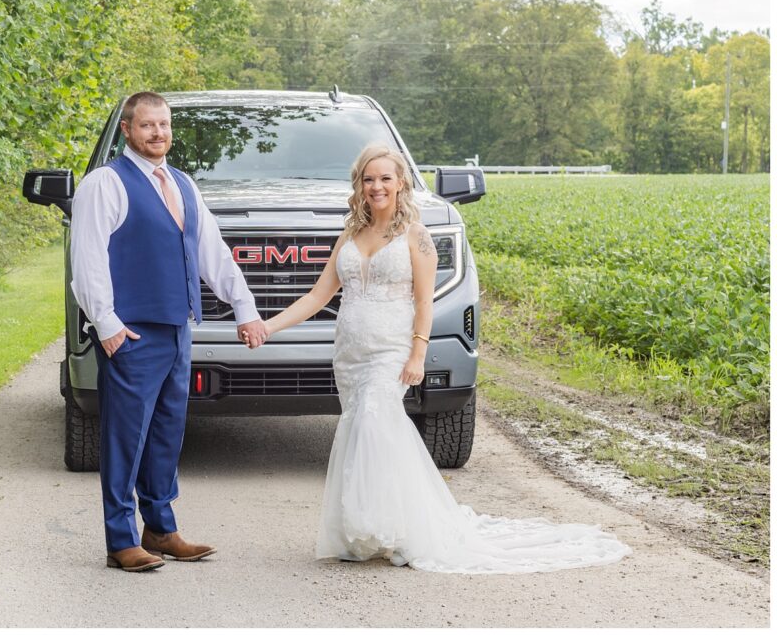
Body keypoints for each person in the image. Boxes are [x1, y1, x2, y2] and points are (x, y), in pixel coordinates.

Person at [255, 143, 632, 573]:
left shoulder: (416, 234)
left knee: (377, 424)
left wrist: (418, 352)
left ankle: (398, 531)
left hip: (391, 348)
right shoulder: (350, 233)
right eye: (368, 178)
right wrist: (269, 326)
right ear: (359, 185)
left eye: (385, 178)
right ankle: (361, 534)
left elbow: (425, 302)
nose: (376, 186)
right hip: (351, 352)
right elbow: (319, 295)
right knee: (362, 430)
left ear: (401, 183)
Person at [71, 91, 268, 572]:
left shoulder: (182, 184)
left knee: (165, 433)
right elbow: (88, 259)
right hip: (131, 332)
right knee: (125, 436)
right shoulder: (105, 183)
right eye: (147, 126)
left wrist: (244, 306)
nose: (158, 133)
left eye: (164, 125)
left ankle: (160, 528)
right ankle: (121, 539)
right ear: (127, 130)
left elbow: (211, 251)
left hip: (178, 328)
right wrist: (109, 324)